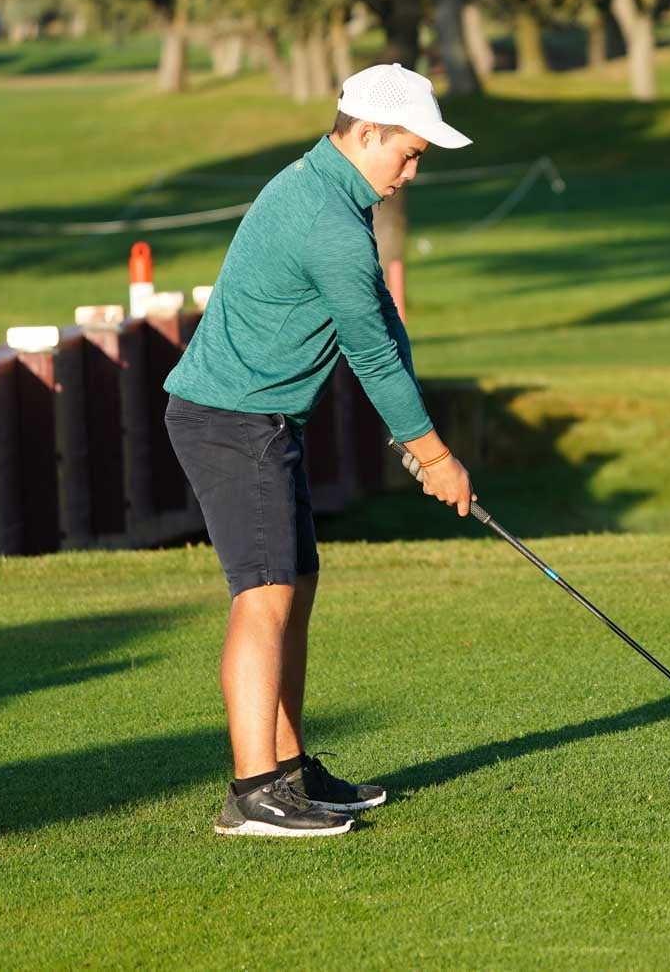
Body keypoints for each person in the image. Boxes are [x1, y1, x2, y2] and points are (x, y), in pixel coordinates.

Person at [163, 64, 476, 838]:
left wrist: (422, 437)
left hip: (260, 419)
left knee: (294, 583)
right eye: (406, 153)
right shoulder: (328, 223)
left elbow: (380, 326)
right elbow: (369, 358)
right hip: (234, 420)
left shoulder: (331, 189)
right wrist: (435, 458)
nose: (411, 171)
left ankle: (291, 769)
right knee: (263, 593)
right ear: (365, 132)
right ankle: (253, 791)